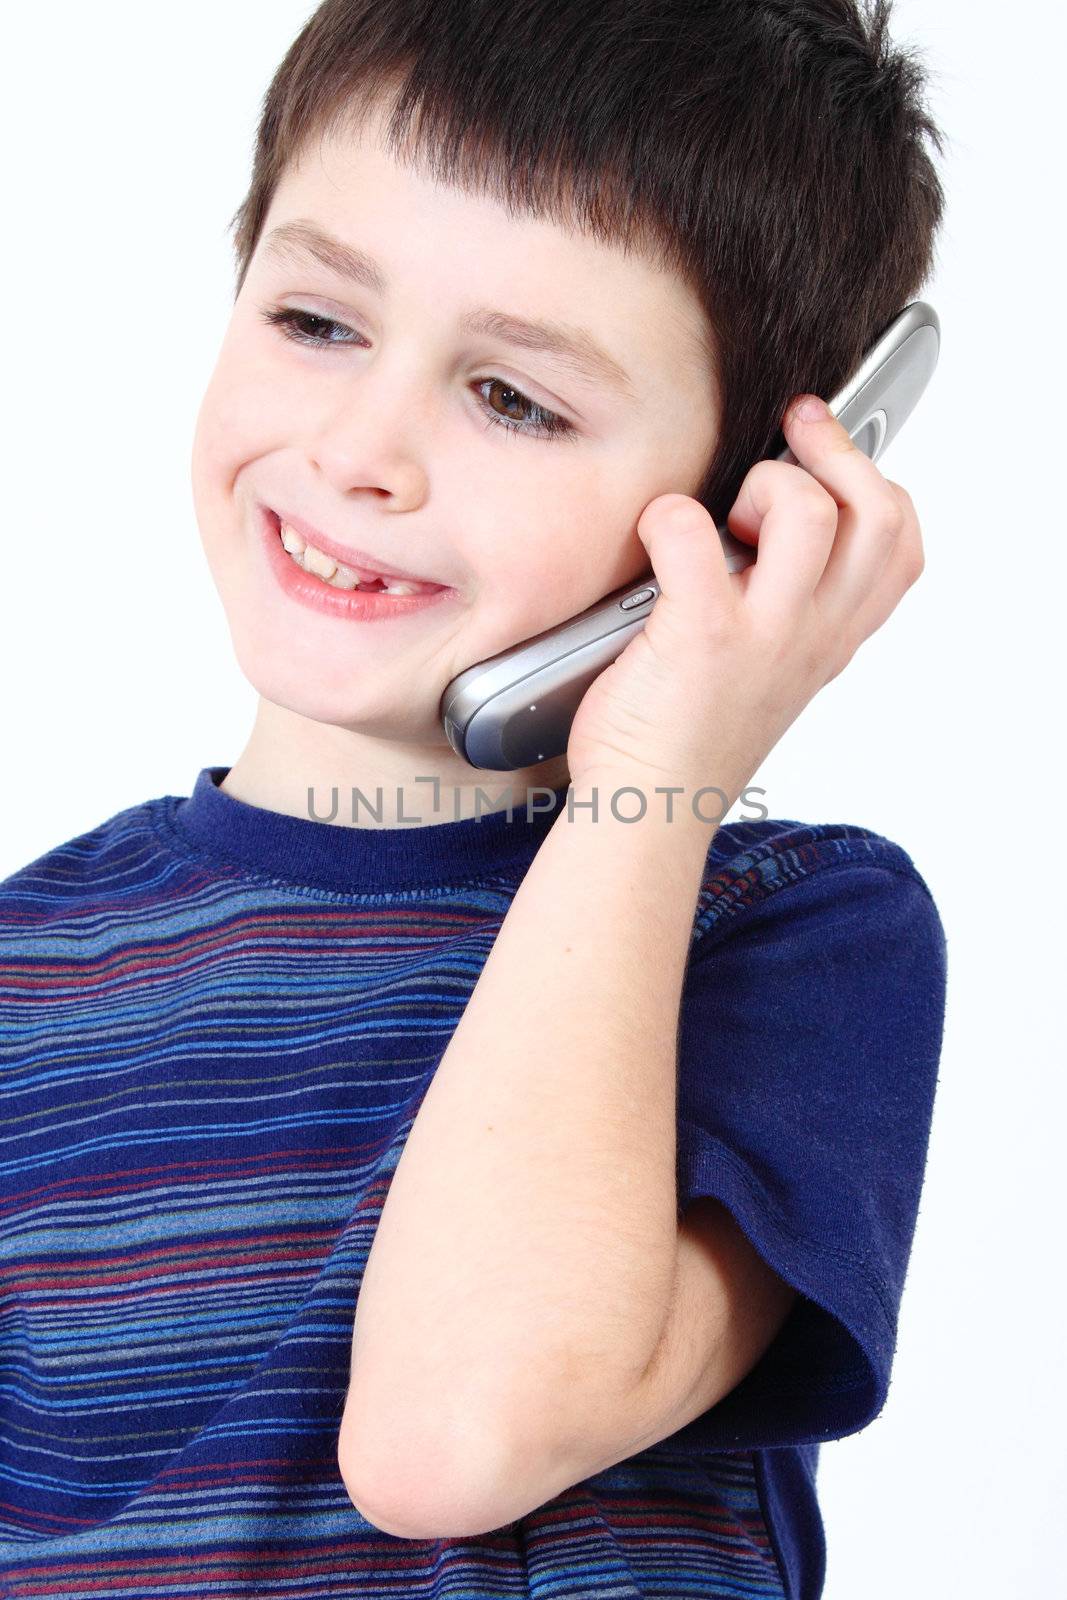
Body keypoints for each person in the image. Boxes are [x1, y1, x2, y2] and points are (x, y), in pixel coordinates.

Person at [0, 1, 949, 1595]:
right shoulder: (29, 968)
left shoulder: (789, 937)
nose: (363, 448)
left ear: (741, 512)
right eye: (317, 320)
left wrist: (656, 778)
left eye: (513, 399)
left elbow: (454, 1436)